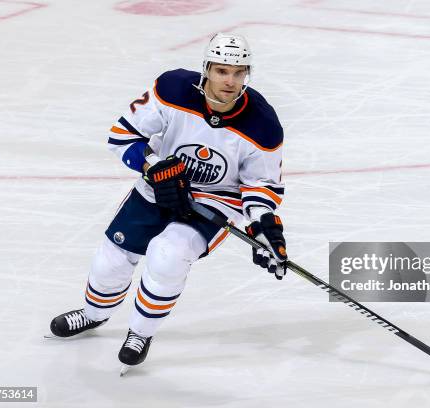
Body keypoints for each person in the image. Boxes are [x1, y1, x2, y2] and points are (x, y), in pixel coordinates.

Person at [48, 33, 288, 370]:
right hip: (157, 186)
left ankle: (140, 333)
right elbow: (122, 136)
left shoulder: (263, 124)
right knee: (110, 263)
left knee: (167, 255)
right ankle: (92, 315)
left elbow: (261, 185)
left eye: (238, 72)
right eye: (222, 71)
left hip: (214, 203)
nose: (230, 81)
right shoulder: (172, 89)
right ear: (206, 69)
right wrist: (153, 166)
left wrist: (264, 225)